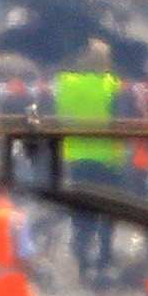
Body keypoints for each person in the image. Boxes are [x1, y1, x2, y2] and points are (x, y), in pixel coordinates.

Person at [53, 37, 130, 283]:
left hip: (76, 157)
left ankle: (83, 259)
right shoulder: (112, 85)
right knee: (107, 213)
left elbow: (58, 113)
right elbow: (121, 119)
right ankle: (104, 259)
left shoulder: (66, 84)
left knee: (82, 212)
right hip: (107, 159)